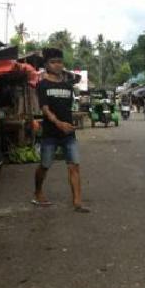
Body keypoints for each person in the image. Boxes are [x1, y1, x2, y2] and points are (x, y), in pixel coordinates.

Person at [33, 48, 90, 213]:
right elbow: (45, 109)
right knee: (44, 165)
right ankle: (37, 191)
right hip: (50, 133)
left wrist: (68, 125)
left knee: (74, 166)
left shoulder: (67, 86)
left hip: (68, 133)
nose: (57, 65)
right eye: (53, 62)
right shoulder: (42, 85)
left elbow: (66, 108)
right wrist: (58, 123)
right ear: (46, 64)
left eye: (60, 62)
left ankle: (77, 202)